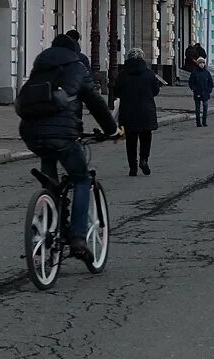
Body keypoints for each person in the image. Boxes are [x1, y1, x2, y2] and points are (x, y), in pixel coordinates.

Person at [18, 32, 118, 258]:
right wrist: (112, 130)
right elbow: (96, 103)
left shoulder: (39, 68)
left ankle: (44, 229)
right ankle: (78, 239)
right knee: (81, 178)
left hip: (31, 134)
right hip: (63, 135)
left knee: (50, 179)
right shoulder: (77, 68)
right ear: (74, 50)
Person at [113, 48, 161, 176]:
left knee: (131, 141)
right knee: (146, 138)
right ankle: (144, 160)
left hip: (128, 112)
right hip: (146, 112)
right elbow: (156, 91)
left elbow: (116, 91)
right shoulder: (149, 73)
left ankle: (132, 167)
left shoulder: (123, 74)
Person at [189, 56, 213, 127]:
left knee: (205, 107)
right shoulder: (194, 72)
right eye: (200, 63)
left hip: (205, 93)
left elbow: (210, 82)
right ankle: (198, 122)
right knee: (198, 108)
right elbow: (191, 82)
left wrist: (209, 90)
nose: (202, 64)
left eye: (203, 63)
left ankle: (204, 121)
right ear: (198, 64)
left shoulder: (207, 72)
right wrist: (194, 89)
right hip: (197, 93)